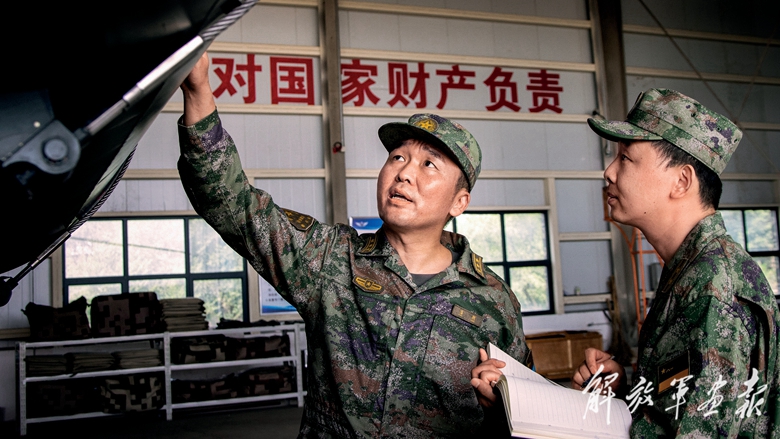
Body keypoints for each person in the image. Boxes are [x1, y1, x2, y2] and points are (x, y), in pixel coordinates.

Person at [177, 52, 532, 437]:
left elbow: (529, 416)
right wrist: (198, 90)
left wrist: (500, 409)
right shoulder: (329, 259)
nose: (404, 172)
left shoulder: (493, 301)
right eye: (397, 157)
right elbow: (232, 204)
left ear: (459, 202)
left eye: (428, 164)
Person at [568, 88, 780, 437]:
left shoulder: (713, 287)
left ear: (681, 181)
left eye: (626, 158)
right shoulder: (689, 270)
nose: (609, 172)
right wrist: (627, 389)